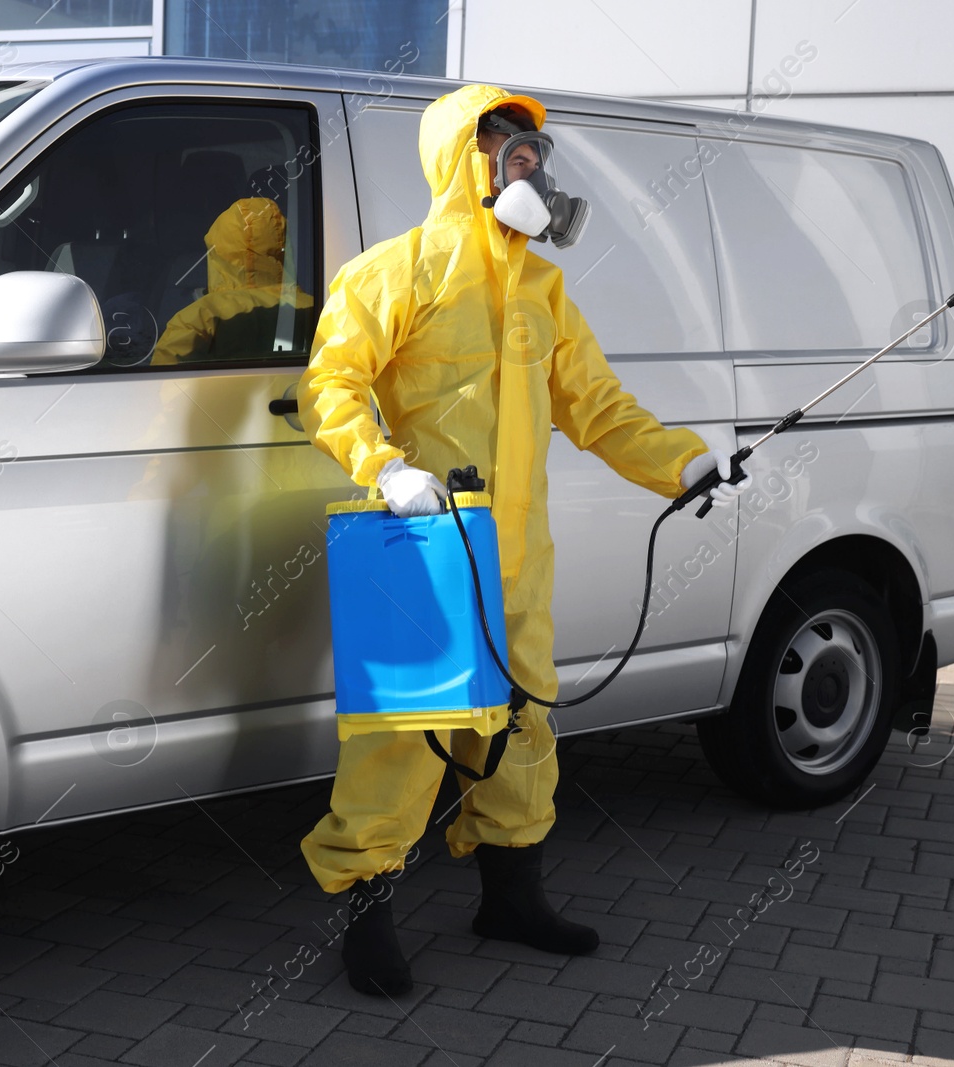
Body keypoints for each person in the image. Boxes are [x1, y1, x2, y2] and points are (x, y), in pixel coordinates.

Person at [295, 84, 753, 996]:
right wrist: (384, 466)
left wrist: (684, 465)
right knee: (401, 730)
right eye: (514, 157)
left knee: (522, 725)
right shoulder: (398, 271)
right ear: (470, 161)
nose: (532, 172)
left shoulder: (544, 288)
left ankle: (511, 899)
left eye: (537, 159)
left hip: (515, 557)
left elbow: (599, 408)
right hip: (422, 547)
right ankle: (366, 914)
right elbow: (330, 384)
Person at [150, 196, 314, 365]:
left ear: (217, 250)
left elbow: (163, 386)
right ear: (284, 245)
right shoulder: (319, 312)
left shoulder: (199, 319)